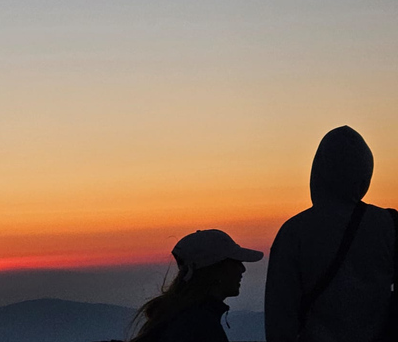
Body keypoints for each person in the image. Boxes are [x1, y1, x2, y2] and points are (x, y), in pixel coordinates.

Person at [265, 125, 396, 342]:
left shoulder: (295, 232)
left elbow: (280, 320)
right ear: (365, 176)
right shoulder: (389, 225)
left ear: (318, 173)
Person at [129, 229, 263, 342]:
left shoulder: (174, 318)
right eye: (234, 262)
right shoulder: (199, 325)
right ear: (215, 270)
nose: (242, 269)